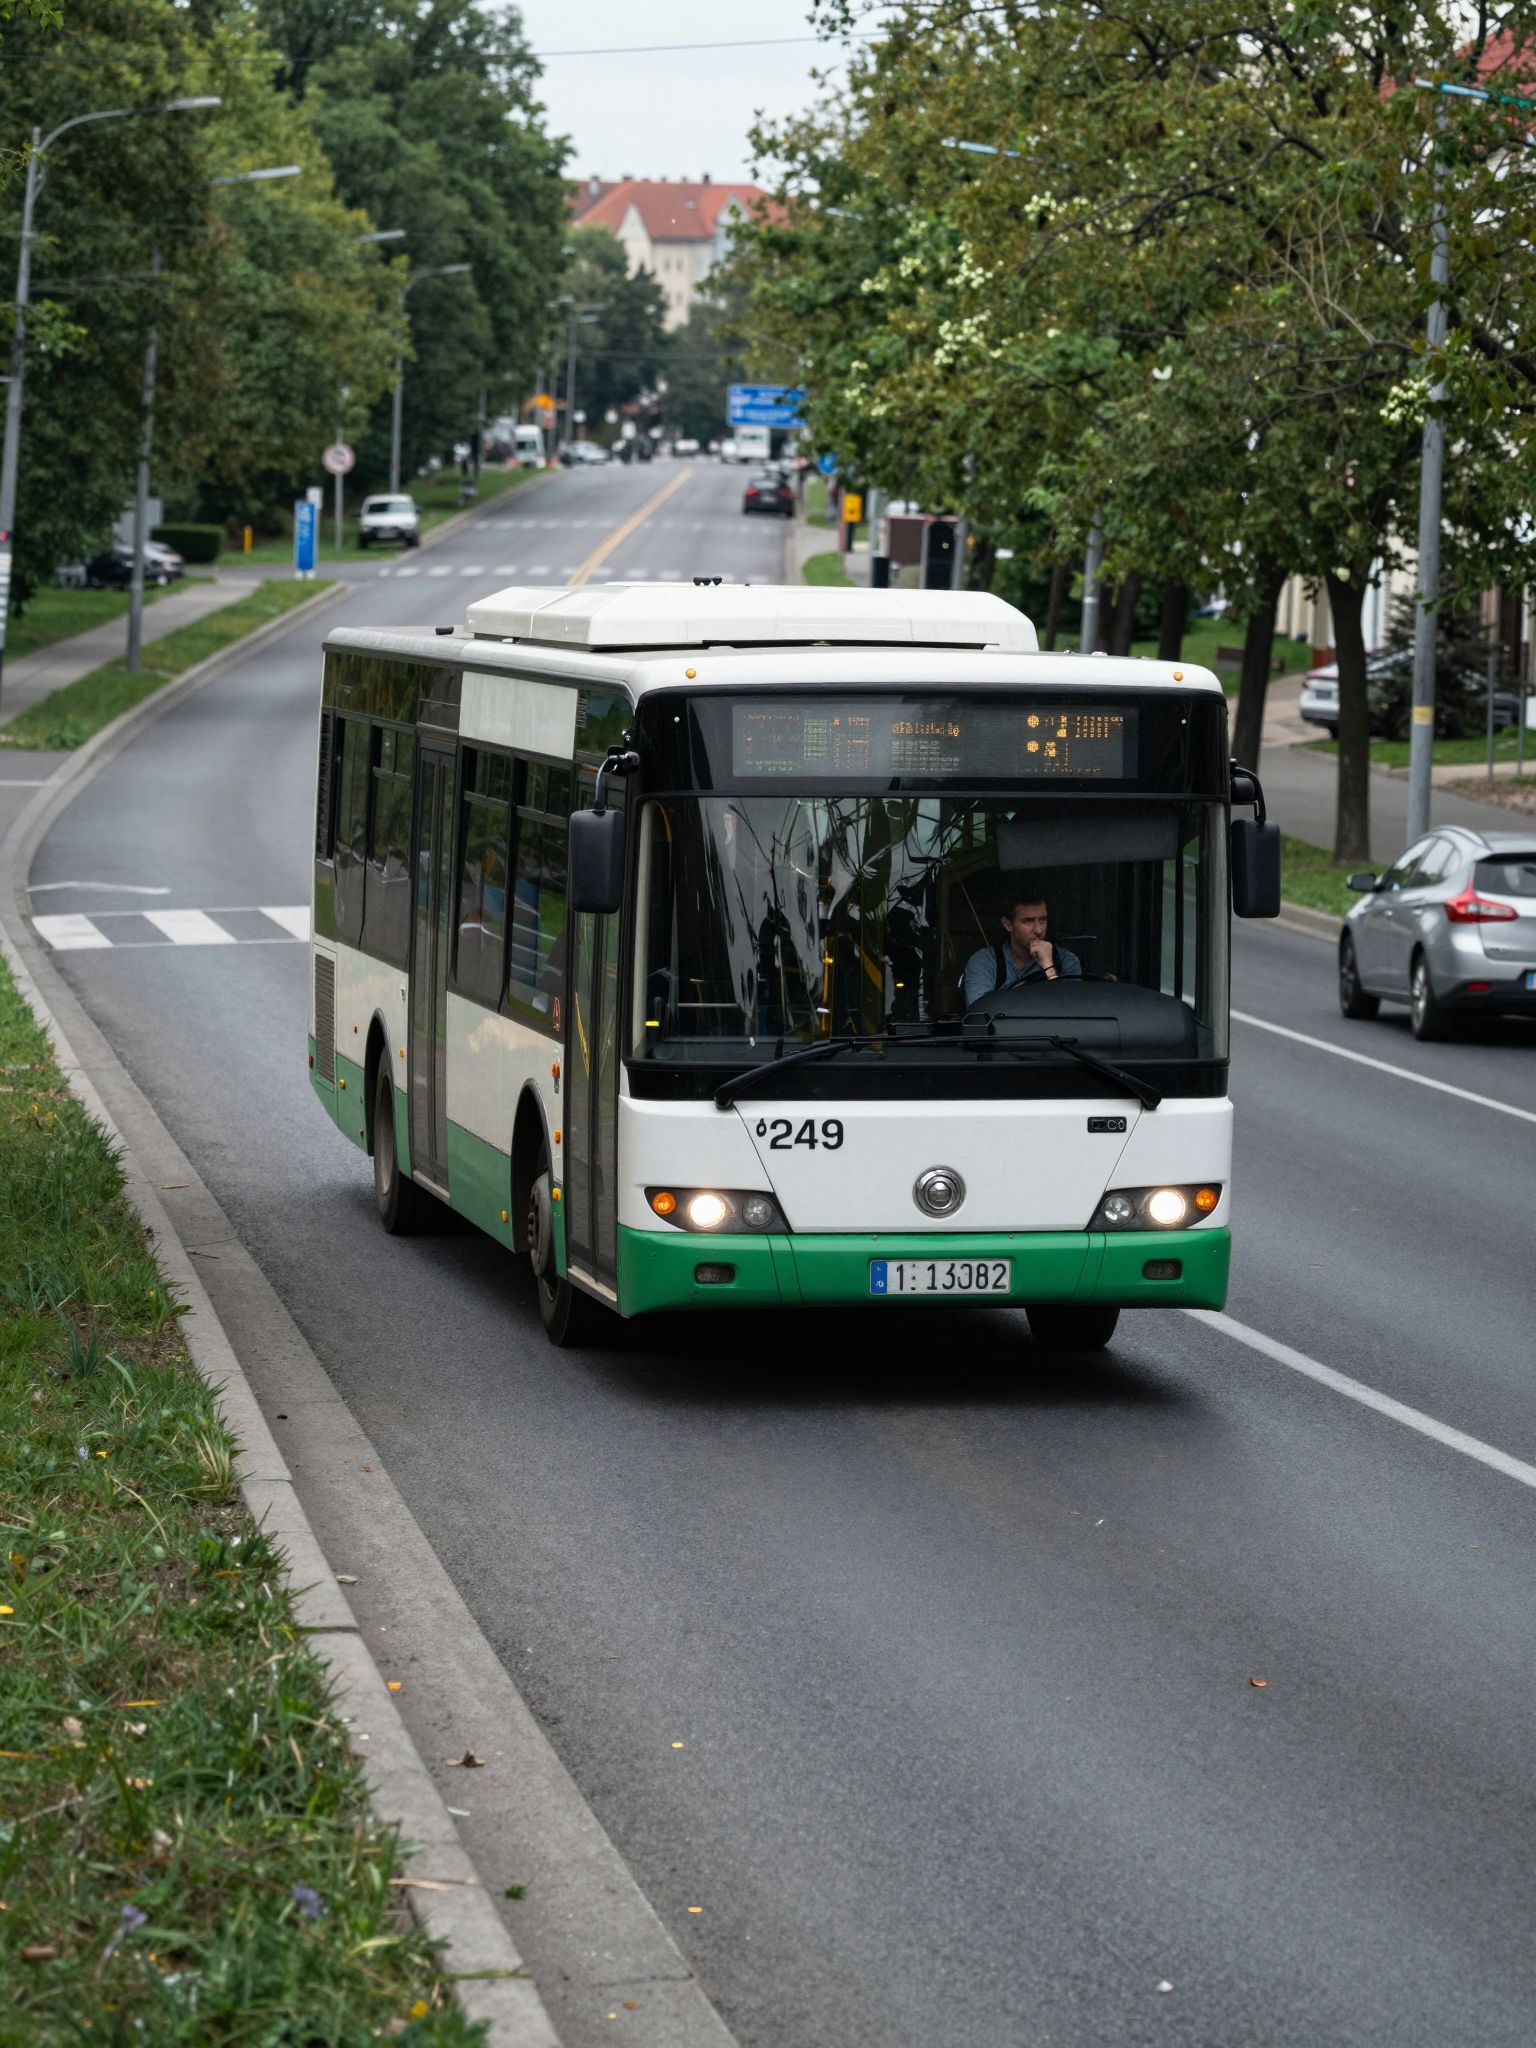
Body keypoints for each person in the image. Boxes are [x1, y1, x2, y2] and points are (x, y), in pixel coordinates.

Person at [961, 888, 1081, 1009]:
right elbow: (978, 1014)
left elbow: (1072, 1012)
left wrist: (1049, 968)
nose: (1038, 930)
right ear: (1007, 925)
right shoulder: (985, 961)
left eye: (1042, 920)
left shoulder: (1066, 960)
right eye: (1028, 921)